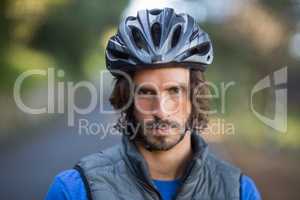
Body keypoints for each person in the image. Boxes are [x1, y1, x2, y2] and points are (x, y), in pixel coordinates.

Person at [45, 7, 261, 200]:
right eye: (146, 92)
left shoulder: (239, 191)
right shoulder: (75, 190)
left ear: (195, 95)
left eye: (174, 91)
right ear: (127, 98)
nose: (161, 110)